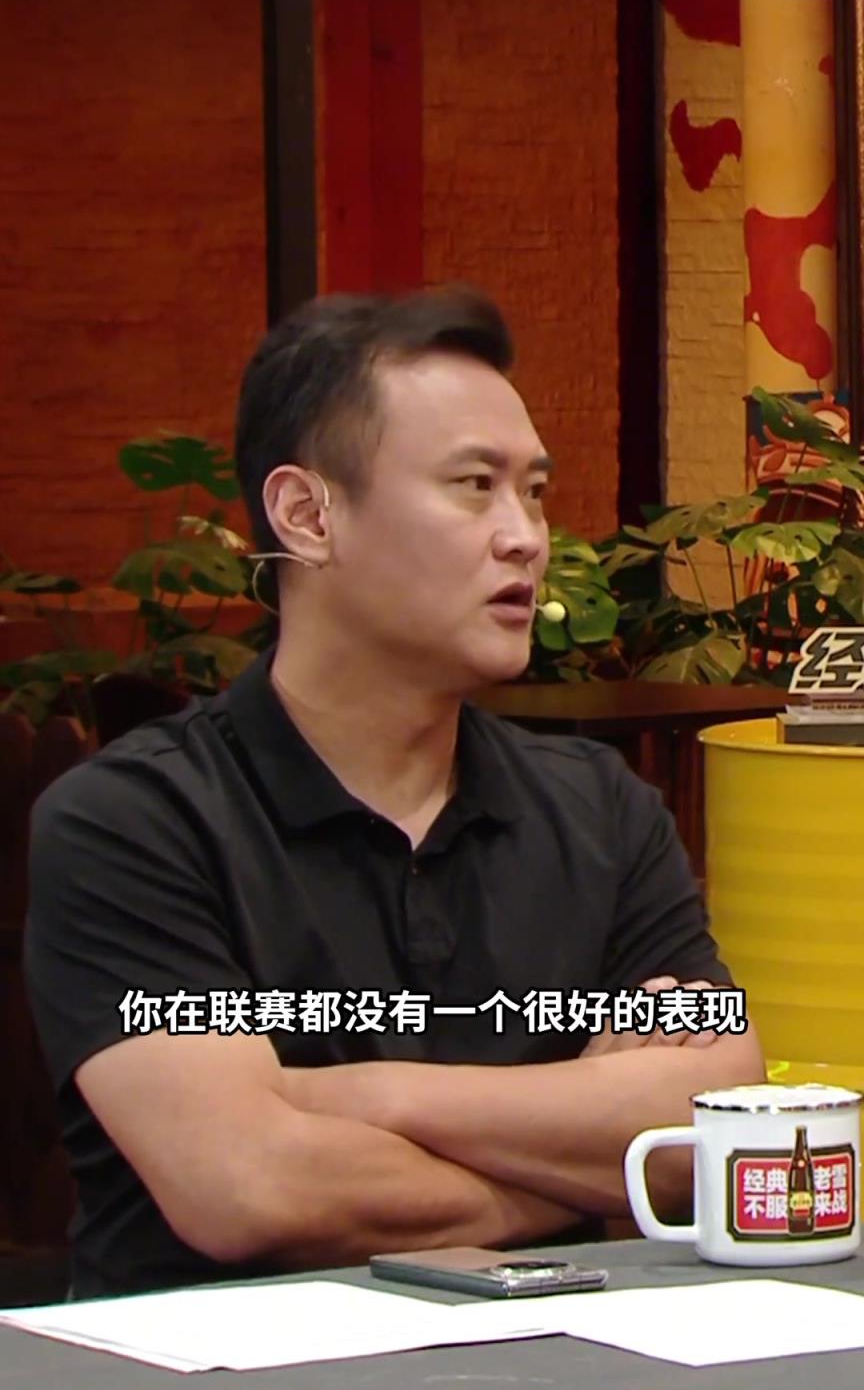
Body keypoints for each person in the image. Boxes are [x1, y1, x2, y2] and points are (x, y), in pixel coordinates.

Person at [25, 286, 764, 1301]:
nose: (525, 537)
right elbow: (251, 1187)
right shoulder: (136, 821)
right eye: (474, 486)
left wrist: (359, 1095)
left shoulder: (601, 809)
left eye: (534, 492)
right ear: (307, 515)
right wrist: (579, 1167)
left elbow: (709, 1119)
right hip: (220, 1373)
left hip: (558, 1360)